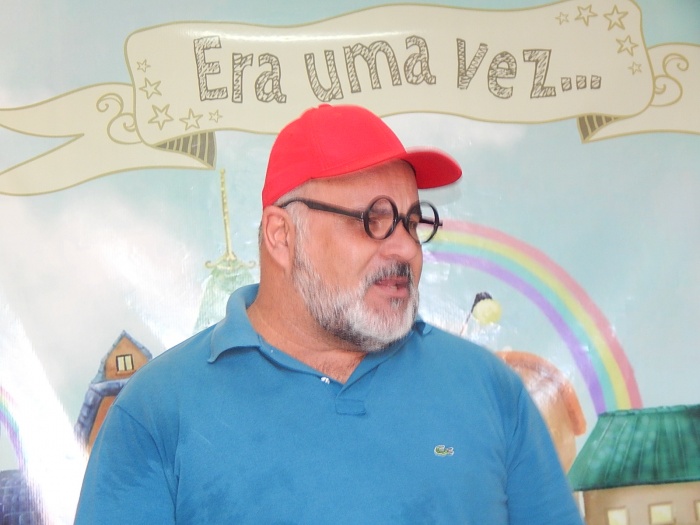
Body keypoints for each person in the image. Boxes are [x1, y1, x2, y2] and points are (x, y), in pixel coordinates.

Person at [74, 104, 584, 524]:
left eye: (411, 222)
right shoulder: (157, 410)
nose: (406, 249)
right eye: (373, 220)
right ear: (281, 236)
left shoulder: (490, 390)